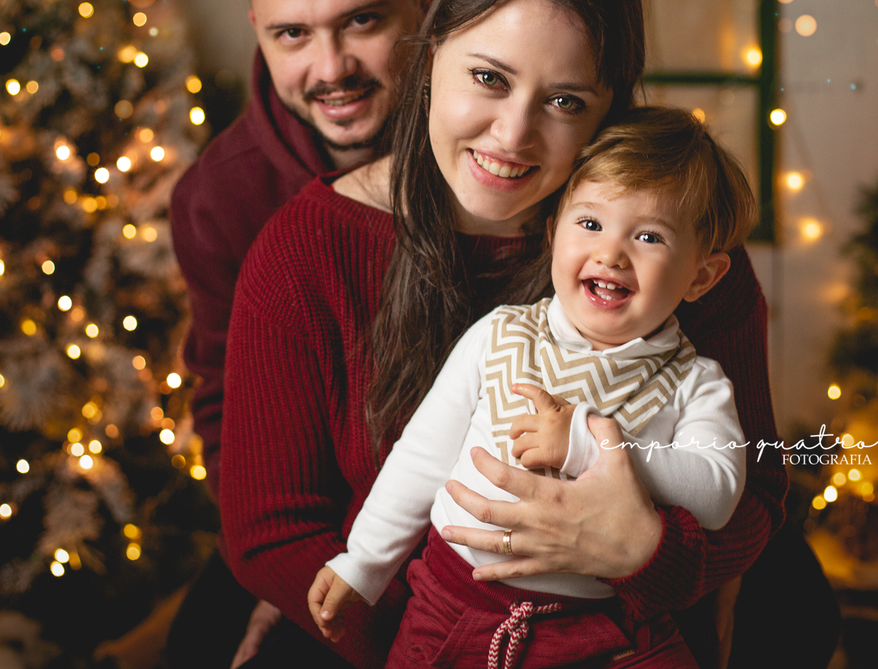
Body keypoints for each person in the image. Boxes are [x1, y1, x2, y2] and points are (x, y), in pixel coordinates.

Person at [220, 0, 788, 669]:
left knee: (790, 618)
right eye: (489, 78)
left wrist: (645, 557)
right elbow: (271, 528)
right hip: (420, 623)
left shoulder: (673, 256)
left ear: (609, 110)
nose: (512, 135)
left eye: (565, 102)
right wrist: (444, 633)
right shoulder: (302, 252)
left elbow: (753, 490)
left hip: (620, 621)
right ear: (430, 53)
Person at [308, 107, 757, 668]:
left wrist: (589, 444)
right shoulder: (500, 335)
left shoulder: (694, 382)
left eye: (648, 236)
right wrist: (364, 563)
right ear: (553, 234)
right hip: (455, 603)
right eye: (590, 224)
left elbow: (716, 495)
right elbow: (421, 457)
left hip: (604, 626)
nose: (611, 253)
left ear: (701, 276)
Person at [166, 0, 436, 668]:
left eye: (363, 20)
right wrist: (283, 569)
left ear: (421, 4)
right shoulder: (222, 198)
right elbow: (223, 405)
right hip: (317, 511)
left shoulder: (496, 132)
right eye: (293, 34)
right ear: (260, 33)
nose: (332, 69)